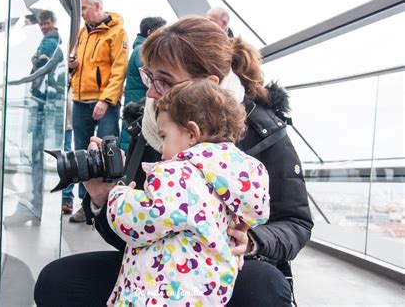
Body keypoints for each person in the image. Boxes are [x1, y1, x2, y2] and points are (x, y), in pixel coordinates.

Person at [35, 17, 313, 307]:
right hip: (160, 266)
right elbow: (141, 226)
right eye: (149, 76)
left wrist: (252, 241)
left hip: (223, 271)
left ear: (207, 85)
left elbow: (295, 222)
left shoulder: (262, 131)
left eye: (164, 80)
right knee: (59, 280)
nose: (151, 92)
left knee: (265, 287)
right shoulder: (150, 124)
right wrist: (103, 199)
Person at [106, 79, 270, 306]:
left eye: (164, 136)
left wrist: (118, 197)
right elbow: (258, 212)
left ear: (192, 133)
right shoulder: (239, 175)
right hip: (207, 292)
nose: (161, 148)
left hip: (163, 292)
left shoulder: (179, 173)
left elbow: (140, 220)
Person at [68, 0, 129, 223]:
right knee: (81, 154)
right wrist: (73, 67)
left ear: (97, 6)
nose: (82, 13)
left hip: (104, 101)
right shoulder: (83, 32)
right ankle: (85, 204)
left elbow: (118, 69)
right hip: (81, 100)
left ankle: (109, 204)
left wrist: (105, 100)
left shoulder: (117, 31)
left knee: (107, 154)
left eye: (84, 8)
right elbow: (80, 64)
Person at [5, 10, 65, 224]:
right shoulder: (53, 42)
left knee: (35, 157)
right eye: (42, 24)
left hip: (41, 106)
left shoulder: (50, 42)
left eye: (47, 23)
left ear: (54, 22)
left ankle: (33, 204)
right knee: (34, 158)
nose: (44, 26)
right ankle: (33, 203)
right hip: (42, 106)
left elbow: (41, 66)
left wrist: (22, 79)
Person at [119, 16, 166, 152]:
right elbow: (154, 73)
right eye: (162, 30)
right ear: (150, 32)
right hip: (139, 111)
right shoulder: (143, 51)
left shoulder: (139, 48)